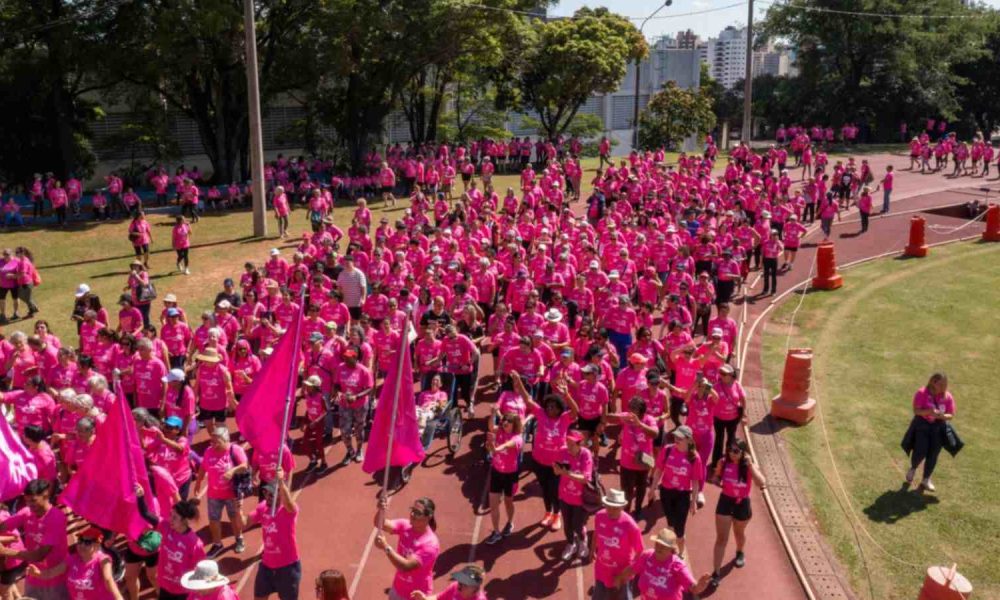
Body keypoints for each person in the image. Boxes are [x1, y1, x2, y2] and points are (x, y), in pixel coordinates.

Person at [710, 439, 767, 588]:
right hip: (725, 501)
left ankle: (740, 551)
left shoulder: (748, 466)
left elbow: (761, 482)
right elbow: (716, 477)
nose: (732, 454)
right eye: (730, 450)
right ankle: (716, 573)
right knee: (721, 539)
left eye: (736, 451)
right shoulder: (723, 462)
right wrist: (716, 479)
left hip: (742, 503)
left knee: (738, 533)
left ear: (743, 452)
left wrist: (750, 465)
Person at [0, 479, 69, 599]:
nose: (29, 505)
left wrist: (5, 551)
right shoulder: (27, 512)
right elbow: (3, 526)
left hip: (55, 580)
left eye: (33, 500)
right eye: (27, 501)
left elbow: (39, 555)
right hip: (33, 577)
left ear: (46, 495)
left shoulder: (56, 518)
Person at [648, 426, 702, 557]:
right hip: (666, 493)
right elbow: (659, 470)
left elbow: (695, 482)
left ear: (689, 440)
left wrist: (693, 501)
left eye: (680, 438)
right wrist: (652, 488)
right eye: (675, 437)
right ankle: (672, 549)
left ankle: (680, 552)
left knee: (679, 529)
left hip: (682, 495)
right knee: (670, 524)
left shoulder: (694, 458)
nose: (676, 440)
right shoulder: (667, 450)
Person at [193, 426, 247, 557]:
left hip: (232, 493)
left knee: (234, 517)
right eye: (212, 441)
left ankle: (239, 538)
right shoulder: (209, 451)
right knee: (213, 519)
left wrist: (232, 471)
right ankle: (217, 544)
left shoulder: (236, 450)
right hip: (214, 494)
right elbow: (203, 468)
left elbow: (245, 466)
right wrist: (199, 482)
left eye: (217, 442)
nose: (213, 445)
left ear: (226, 440)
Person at [373, 495, 440, 600]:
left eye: (417, 513)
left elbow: (405, 567)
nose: (412, 515)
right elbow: (380, 523)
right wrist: (380, 510)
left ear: (428, 517)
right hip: (398, 588)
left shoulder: (430, 544)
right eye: (412, 510)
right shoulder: (406, 525)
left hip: (417, 595)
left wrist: (386, 547)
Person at [613, 528, 711, 599]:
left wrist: (700, 586)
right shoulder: (647, 556)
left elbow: (693, 588)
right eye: (658, 544)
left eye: (663, 546)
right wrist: (619, 577)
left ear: (671, 549)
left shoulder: (677, 565)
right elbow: (632, 569)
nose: (659, 548)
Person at [248, 472, 300, 600]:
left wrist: (281, 482)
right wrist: (235, 508)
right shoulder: (263, 507)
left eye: (272, 494)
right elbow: (244, 523)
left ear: (281, 494)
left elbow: (289, 504)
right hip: (266, 565)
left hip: (287, 567)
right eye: (266, 493)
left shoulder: (288, 510)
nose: (268, 496)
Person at [904, 373, 955, 492]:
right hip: (922, 425)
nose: (943, 387)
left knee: (933, 454)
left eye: (945, 384)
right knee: (920, 451)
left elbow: (951, 415)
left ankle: (926, 479)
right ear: (933, 382)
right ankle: (913, 468)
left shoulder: (947, 397)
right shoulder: (922, 393)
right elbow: (916, 411)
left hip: (938, 428)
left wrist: (942, 416)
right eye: (941, 384)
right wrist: (929, 412)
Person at [591, 489, 643, 600]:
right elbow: (596, 533)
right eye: (608, 506)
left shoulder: (631, 526)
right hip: (602, 569)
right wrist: (592, 550)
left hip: (622, 573)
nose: (611, 510)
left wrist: (623, 575)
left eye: (615, 508)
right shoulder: (599, 516)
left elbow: (640, 552)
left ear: (622, 507)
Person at [483, 410, 523, 545]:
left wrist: (495, 449)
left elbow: (507, 445)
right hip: (496, 472)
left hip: (510, 475)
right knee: (493, 504)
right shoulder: (499, 431)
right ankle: (496, 532)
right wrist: (493, 414)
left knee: (508, 502)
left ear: (514, 425)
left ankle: (510, 522)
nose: (504, 422)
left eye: (508, 421)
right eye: (504, 419)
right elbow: (490, 427)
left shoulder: (517, 438)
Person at [554, 429, 593, 561]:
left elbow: (585, 478)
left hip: (580, 499)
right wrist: (557, 469)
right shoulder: (563, 451)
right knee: (567, 524)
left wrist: (566, 473)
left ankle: (583, 542)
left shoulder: (586, 455)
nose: (568, 446)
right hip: (565, 496)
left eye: (571, 444)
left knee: (578, 524)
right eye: (567, 442)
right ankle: (571, 544)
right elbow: (556, 471)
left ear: (579, 444)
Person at [158, 500, 206, 600]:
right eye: (170, 515)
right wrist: (140, 497)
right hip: (165, 586)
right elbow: (146, 514)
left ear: (184, 520)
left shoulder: (195, 544)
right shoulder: (166, 528)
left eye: (174, 517)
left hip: (183, 591)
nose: (170, 519)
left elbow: (200, 571)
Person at [410, 565, 486, 600]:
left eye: (465, 584)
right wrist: (425, 599)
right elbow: (438, 598)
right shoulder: (455, 587)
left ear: (475, 589)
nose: (460, 586)